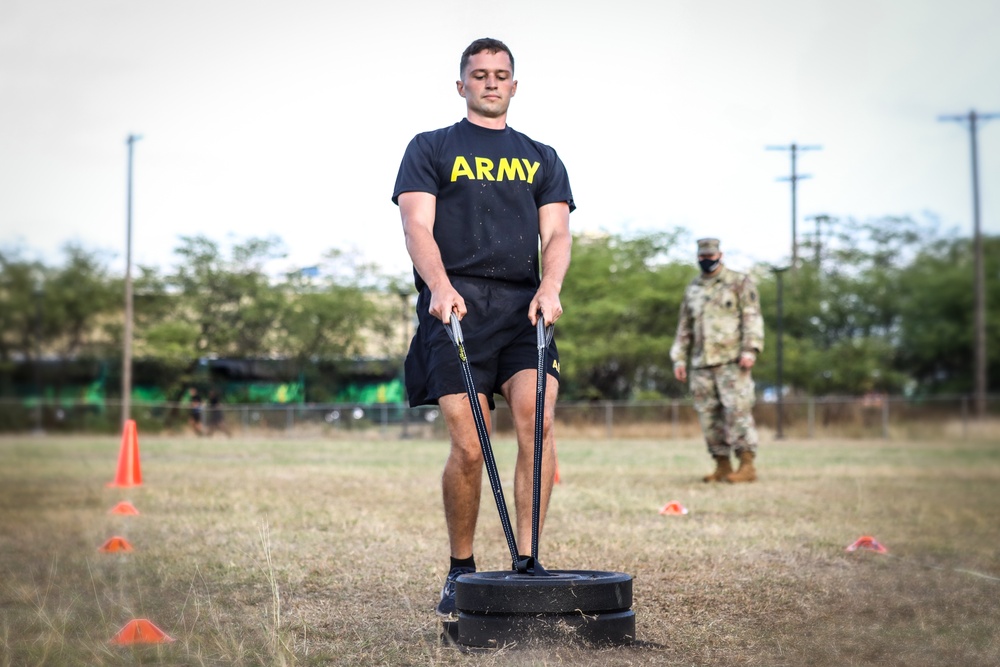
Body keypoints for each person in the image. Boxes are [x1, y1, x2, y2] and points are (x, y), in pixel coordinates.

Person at [392, 37, 574, 620]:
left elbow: (558, 235)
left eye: (501, 75)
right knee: (470, 448)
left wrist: (551, 287)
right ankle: (461, 569)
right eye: (479, 74)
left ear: (514, 86)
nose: (491, 82)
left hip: (524, 310)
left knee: (538, 426)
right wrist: (440, 287)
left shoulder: (541, 156)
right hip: (457, 308)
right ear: (461, 84)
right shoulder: (430, 147)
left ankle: (527, 562)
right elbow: (416, 226)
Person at [670, 238, 764, 483]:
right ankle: (722, 464)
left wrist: (750, 349)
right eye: (702, 256)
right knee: (709, 416)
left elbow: (752, 317)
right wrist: (679, 359)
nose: (707, 260)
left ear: (720, 255)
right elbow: (684, 328)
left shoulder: (739, 282)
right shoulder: (693, 288)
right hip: (702, 364)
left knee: (738, 412)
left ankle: (747, 465)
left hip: (732, 360)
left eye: (711, 256)